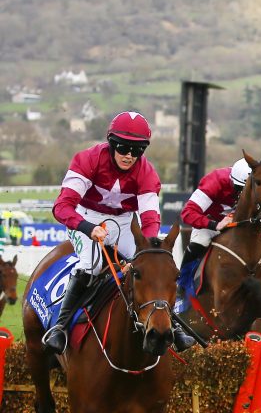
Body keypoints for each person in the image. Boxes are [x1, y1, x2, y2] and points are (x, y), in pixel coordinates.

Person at [43, 111, 194, 353]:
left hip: (124, 222)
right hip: (86, 217)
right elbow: (62, 207)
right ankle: (59, 328)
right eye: (123, 148)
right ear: (112, 143)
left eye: (137, 150)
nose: (129, 155)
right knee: (91, 266)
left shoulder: (147, 173)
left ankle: (174, 328)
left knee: (153, 265)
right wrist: (88, 228)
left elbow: (150, 218)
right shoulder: (87, 160)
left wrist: (150, 243)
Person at [178, 158, 252, 275]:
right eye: (240, 189)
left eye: (247, 191)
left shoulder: (260, 187)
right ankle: (183, 284)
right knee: (199, 242)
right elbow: (187, 213)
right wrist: (215, 225)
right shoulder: (215, 180)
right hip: (210, 225)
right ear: (231, 181)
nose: (243, 195)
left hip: (240, 228)